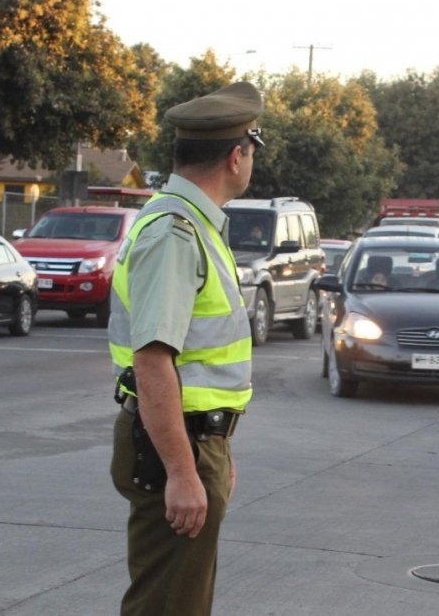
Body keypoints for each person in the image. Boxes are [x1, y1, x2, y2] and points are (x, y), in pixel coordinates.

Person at [107, 81, 263, 616]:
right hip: (173, 448)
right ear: (236, 156)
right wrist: (182, 470)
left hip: (194, 441)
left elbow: (196, 364)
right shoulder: (175, 232)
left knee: (182, 603)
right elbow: (152, 361)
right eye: (251, 151)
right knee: (167, 607)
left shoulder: (190, 223)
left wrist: (216, 450)